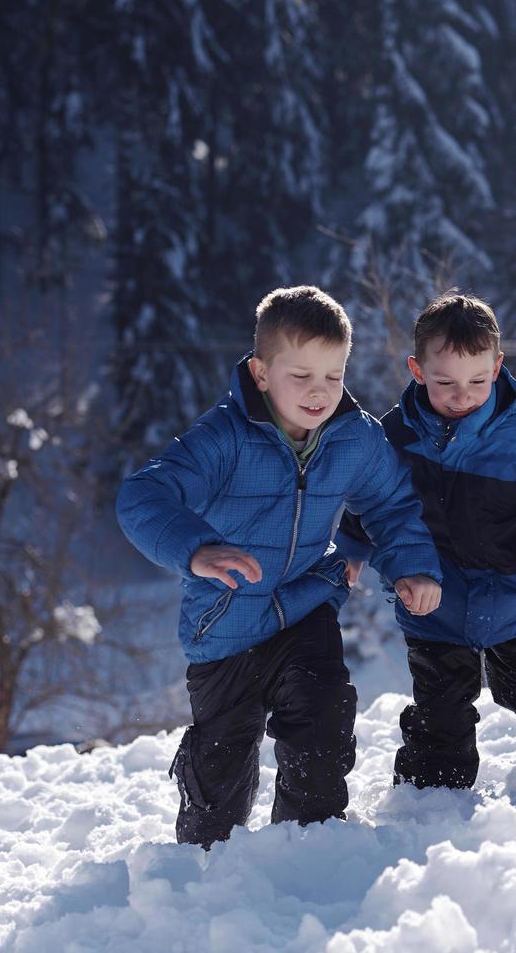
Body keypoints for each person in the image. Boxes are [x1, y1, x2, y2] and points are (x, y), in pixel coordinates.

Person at [117, 285, 442, 847]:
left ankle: (307, 844)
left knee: (323, 719)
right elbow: (143, 496)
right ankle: (204, 860)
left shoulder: (353, 437)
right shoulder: (225, 439)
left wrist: (412, 566)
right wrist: (197, 549)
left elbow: (390, 505)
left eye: (333, 376)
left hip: (304, 604)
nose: (320, 393)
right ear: (261, 373)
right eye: (301, 376)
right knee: (221, 766)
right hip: (225, 623)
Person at [336, 291, 516, 790]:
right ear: (417, 370)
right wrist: (352, 549)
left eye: (477, 381)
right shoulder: (394, 438)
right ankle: (428, 806)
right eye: (445, 382)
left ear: (498, 366)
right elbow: (373, 499)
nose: (461, 395)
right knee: (440, 718)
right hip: (432, 605)